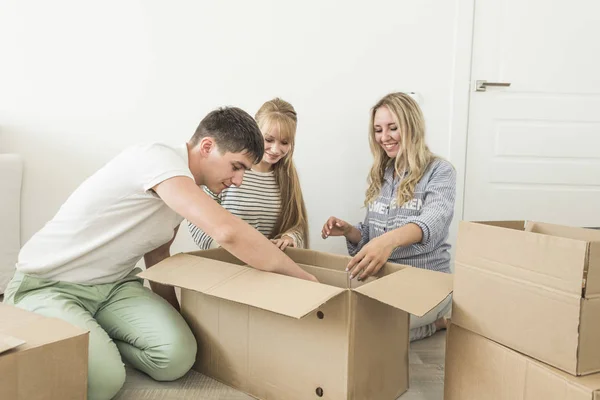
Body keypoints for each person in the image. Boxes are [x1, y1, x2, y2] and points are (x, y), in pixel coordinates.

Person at [3, 106, 318, 400]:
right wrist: (303, 279)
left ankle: (94, 334)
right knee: (106, 381)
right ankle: (54, 324)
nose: (238, 180)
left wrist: (175, 320)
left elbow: (158, 256)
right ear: (207, 147)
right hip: (50, 284)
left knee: (177, 357)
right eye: (236, 167)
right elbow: (227, 232)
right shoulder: (158, 159)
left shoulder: (184, 194)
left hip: (113, 287)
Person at [321, 92, 455, 342]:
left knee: (367, 330)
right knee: (339, 319)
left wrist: (389, 241)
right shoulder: (384, 173)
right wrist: (351, 231)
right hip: (385, 281)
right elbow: (373, 236)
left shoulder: (440, 171)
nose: (384, 137)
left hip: (427, 283)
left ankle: (435, 320)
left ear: (411, 126)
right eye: (378, 130)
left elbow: (433, 223)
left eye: (393, 128)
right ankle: (434, 325)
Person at [189, 98, 309, 250]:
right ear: (256, 132)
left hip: (266, 264)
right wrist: (219, 247)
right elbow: (197, 218)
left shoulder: (288, 177)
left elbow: (296, 224)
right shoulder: (227, 169)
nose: (275, 149)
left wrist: (289, 238)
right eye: (269, 140)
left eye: (284, 142)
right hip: (225, 262)